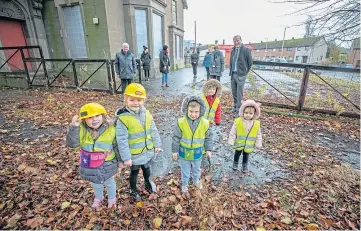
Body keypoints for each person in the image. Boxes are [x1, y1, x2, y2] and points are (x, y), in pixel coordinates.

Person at [66, 103, 121, 209]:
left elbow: (116, 146)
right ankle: (98, 197)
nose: (94, 119)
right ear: (84, 119)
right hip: (89, 164)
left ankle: (112, 198)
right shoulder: (81, 129)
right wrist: (74, 128)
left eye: (97, 116)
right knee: (95, 183)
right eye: (90, 117)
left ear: (103, 116)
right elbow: (72, 144)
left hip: (107, 163)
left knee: (109, 182)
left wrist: (120, 161)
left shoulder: (111, 129)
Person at [115, 83, 162, 201]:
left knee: (147, 170)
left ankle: (148, 183)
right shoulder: (123, 118)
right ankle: (133, 189)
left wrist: (157, 144)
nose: (135, 102)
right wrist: (126, 157)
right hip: (134, 154)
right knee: (134, 173)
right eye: (132, 100)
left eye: (139, 100)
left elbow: (153, 129)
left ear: (143, 101)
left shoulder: (146, 113)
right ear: (126, 100)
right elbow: (122, 140)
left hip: (147, 150)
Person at [172, 95, 213, 199]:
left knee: (196, 169)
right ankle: (184, 185)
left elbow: (208, 137)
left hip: (197, 152)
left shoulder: (205, 123)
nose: (193, 114)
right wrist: (174, 151)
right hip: (184, 152)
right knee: (185, 170)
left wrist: (208, 149)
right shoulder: (180, 122)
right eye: (191, 111)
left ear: (201, 111)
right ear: (186, 110)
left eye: (196, 112)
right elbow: (176, 137)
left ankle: (196, 181)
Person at [228, 100, 262, 173]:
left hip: (249, 144)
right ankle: (235, 163)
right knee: (237, 153)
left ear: (254, 114)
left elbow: (258, 134)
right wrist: (231, 140)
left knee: (246, 155)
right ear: (242, 112)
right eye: (246, 112)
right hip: (239, 142)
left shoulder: (256, 124)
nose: (248, 115)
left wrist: (258, 143)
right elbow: (233, 131)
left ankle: (244, 165)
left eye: (250, 113)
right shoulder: (238, 121)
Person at [229, 35, 253, 114]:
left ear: (241, 40)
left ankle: (239, 110)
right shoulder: (233, 50)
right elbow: (231, 62)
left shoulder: (246, 50)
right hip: (233, 73)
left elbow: (250, 63)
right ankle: (235, 106)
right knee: (234, 91)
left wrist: (245, 72)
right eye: (234, 41)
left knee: (239, 93)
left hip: (241, 75)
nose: (236, 42)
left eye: (237, 40)